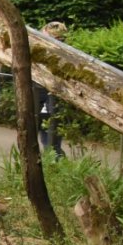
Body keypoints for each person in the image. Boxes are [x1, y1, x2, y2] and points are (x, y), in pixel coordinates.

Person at [36, 21, 69, 159]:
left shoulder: (64, 53)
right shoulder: (41, 49)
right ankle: (51, 158)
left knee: (53, 131)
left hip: (54, 94)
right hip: (38, 91)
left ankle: (56, 159)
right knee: (42, 130)